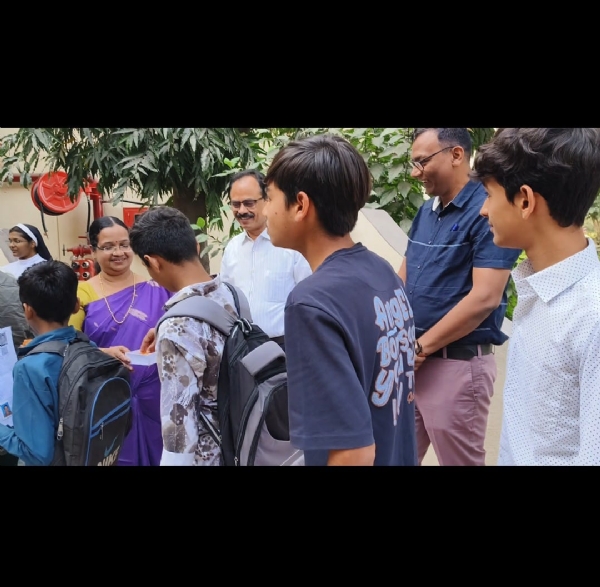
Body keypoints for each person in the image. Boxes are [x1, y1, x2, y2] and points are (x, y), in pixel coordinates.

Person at [262, 133, 418, 466]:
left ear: (300, 205)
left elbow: (353, 452)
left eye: (269, 197)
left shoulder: (311, 302)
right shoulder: (382, 272)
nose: (264, 211)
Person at [472, 128, 600, 465]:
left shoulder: (592, 317)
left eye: (489, 194)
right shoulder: (537, 292)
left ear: (525, 200)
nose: (483, 210)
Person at [397, 128, 522, 466]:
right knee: (396, 457)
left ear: (456, 155)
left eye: (421, 162)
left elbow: (485, 297)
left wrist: (421, 347)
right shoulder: (426, 212)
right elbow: (402, 279)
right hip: (413, 366)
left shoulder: (486, 211)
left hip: (456, 365)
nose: (414, 172)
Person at [129, 205, 238, 466]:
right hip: (243, 439)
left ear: (153, 262)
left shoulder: (177, 325)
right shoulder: (231, 294)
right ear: (196, 247)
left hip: (210, 454)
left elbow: (179, 425)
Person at [69, 216, 171, 466]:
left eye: (124, 245)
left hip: (155, 395)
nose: (118, 253)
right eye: (108, 247)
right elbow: (70, 344)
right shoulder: (82, 292)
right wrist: (103, 352)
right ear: (93, 251)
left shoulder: (157, 286)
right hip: (106, 397)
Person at [219, 169, 312, 350]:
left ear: (267, 201)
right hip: (242, 350)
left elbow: (308, 299)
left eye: (249, 203)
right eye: (236, 204)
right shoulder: (232, 248)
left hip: (285, 348)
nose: (242, 211)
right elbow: (225, 299)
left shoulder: (291, 246)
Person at [0, 261, 79, 465]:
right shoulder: (86, 345)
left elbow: (37, 454)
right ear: (76, 305)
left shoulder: (29, 368)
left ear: (27, 310)